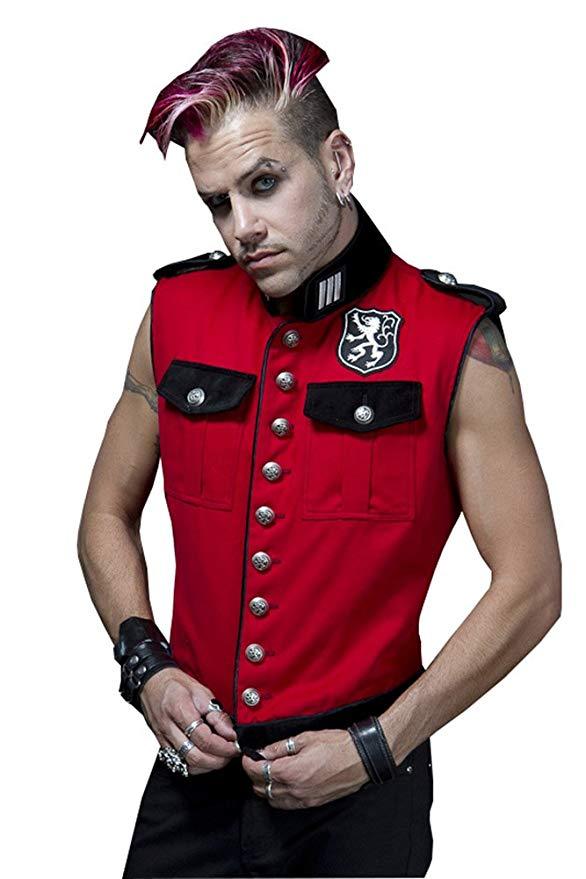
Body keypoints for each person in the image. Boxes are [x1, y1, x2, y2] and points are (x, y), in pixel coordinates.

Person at [77, 26, 562, 879]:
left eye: (265, 184)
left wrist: (379, 744)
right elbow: (104, 515)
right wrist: (145, 666)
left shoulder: (456, 340)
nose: (242, 227)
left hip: (363, 793)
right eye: (218, 202)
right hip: (194, 780)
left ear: (337, 162)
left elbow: (533, 584)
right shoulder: (176, 313)